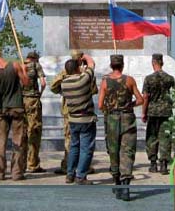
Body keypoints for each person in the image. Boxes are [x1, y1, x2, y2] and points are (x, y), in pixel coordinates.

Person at [99, 54, 144, 200]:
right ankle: (125, 185)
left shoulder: (105, 82)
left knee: (113, 150)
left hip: (112, 119)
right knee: (127, 151)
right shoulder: (129, 80)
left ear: (111, 65)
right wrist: (129, 105)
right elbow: (140, 100)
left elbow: (100, 105)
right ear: (122, 65)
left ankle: (117, 181)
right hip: (127, 118)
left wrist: (110, 109)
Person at [0, 49, 30, 180]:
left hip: (3, 109)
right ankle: (17, 173)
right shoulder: (15, 65)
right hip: (17, 107)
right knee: (18, 141)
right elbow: (26, 83)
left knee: (1, 142)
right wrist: (24, 72)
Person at [51, 49, 91, 174]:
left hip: (72, 110)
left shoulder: (74, 72)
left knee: (72, 140)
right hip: (79, 110)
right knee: (79, 140)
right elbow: (53, 86)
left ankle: (70, 167)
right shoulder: (80, 73)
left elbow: (53, 87)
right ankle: (74, 166)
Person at [60, 52, 96, 185]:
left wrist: (80, 66)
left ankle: (70, 174)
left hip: (73, 119)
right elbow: (92, 64)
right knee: (86, 148)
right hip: (86, 119)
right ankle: (80, 176)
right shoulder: (82, 80)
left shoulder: (64, 83)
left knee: (74, 147)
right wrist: (84, 57)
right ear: (77, 68)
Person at [143, 53, 175, 174]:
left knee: (152, 137)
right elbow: (174, 95)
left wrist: (144, 112)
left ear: (153, 63)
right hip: (166, 112)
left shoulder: (149, 79)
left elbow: (145, 97)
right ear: (162, 63)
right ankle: (164, 164)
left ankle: (153, 164)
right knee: (165, 137)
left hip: (152, 112)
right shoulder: (170, 78)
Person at [22, 50, 47, 173]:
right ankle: (33, 163)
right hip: (33, 100)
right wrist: (40, 94)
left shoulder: (20, 65)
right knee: (34, 130)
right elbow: (43, 83)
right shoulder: (36, 65)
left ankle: (21, 163)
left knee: (23, 131)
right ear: (36, 59)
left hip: (21, 101)